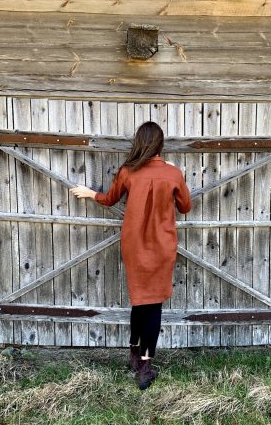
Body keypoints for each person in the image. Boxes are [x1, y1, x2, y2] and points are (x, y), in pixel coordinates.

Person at [69, 121, 192, 390]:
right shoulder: (173, 174)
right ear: (161, 145)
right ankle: (145, 366)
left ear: (139, 143)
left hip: (134, 246)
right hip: (161, 246)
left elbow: (110, 199)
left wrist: (90, 193)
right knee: (153, 304)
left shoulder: (128, 171)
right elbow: (185, 206)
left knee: (140, 300)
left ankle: (134, 355)